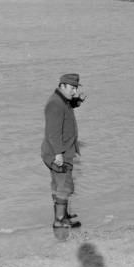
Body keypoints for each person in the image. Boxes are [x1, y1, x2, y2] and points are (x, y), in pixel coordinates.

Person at [41, 73, 87, 228]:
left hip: (59, 150)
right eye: (72, 88)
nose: (74, 91)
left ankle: (62, 216)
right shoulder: (55, 104)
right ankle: (60, 220)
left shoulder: (62, 100)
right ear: (62, 86)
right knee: (64, 185)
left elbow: (68, 107)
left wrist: (78, 101)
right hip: (58, 152)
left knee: (58, 184)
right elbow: (52, 132)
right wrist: (58, 154)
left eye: (75, 88)